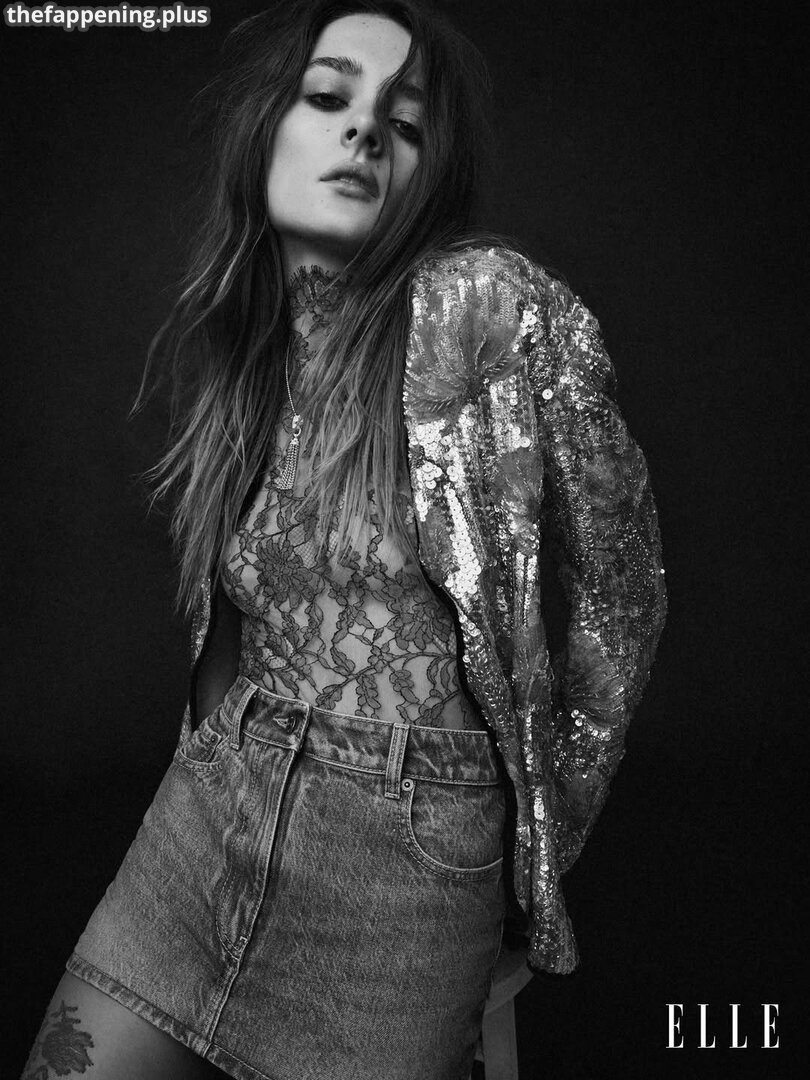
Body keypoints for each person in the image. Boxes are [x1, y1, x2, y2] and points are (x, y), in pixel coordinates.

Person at [23, 1, 667, 1078]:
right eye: (328, 97)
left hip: (406, 867)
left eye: (403, 125)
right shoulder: (249, 349)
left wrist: (537, 857)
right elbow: (234, 623)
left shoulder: (484, 306)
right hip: (213, 814)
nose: (364, 130)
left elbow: (623, 593)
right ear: (264, 129)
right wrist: (207, 759)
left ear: (428, 179)